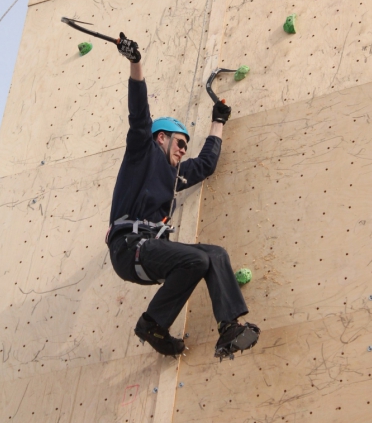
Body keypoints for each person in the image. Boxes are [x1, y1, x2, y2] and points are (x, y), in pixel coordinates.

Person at [106, 34, 260, 360]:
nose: (182, 150)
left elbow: (205, 165)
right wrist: (136, 63)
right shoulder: (142, 154)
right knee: (195, 258)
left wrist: (218, 122)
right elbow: (139, 114)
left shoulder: (174, 174)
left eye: (185, 147)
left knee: (210, 255)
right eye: (179, 143)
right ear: (160, 138)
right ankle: (154, 323)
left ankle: (218, 327)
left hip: (149, 250)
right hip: (130, 248)